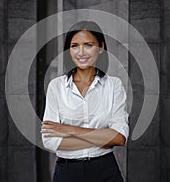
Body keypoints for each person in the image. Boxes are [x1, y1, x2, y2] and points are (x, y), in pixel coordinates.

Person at [41, 21, 129, 182]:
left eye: (88, 45)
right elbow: (50, 140)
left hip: (105, 170)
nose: (81, 52)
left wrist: (69, 130)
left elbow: (119, 137)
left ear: (101, 47)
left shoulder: (113, 85)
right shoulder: (56, 86)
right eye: (74, 46)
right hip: (67, 172)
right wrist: (102, 138)